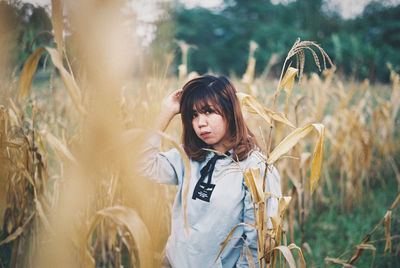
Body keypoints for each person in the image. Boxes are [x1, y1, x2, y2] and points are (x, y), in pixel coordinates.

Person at [140, 75, 281, 267]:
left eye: (208, 112)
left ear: (230, 112)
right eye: (193, 115)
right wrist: (166, 112)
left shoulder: (256, 169)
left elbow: (257, 246)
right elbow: (142, 164)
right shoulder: (188, 157)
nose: (200, 123)